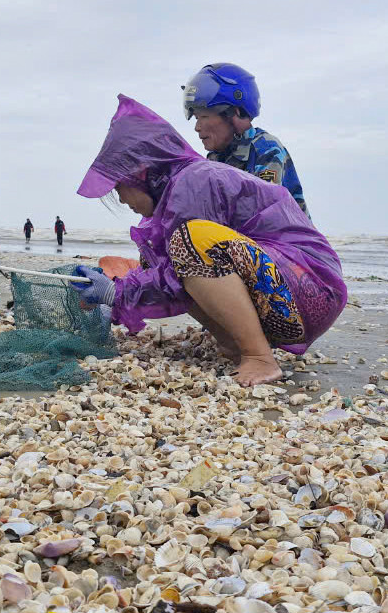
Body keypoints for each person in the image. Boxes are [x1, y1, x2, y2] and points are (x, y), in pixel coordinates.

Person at [72, 96, 346, 387]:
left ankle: (260, 357)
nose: (122, 199)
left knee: (191, 243)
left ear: (140, 172)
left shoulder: (193, 181)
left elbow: (180, 267)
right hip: (288, 294)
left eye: (120, 188)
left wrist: (117, 294)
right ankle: (234, 342)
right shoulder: (179, 187)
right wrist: (118, 290)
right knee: (168, 259)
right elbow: (169, 276)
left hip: (311, 291)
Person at [182, 63, 309, 216]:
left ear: (234, 113)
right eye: (196, 118)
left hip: (286, 239)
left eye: (204, 117)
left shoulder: (265, 149)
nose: (197, 127)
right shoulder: (216, 160)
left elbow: (262, 212)